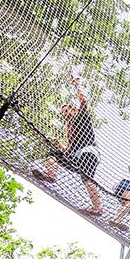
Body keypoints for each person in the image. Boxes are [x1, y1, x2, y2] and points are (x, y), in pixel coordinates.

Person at [32, 77, 103, 215]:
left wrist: (77, 86)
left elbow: (84, 101)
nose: (64, 114)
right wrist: (57, 143)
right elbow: (67, 152)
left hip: (88, 152)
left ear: (73, 109)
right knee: (53, 155)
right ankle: (51, 174)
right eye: (62, 113)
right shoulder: (69, 129)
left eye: (66, 111)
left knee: (86, 177)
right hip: (77, 158)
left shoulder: (80, 116)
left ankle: (97, 207)